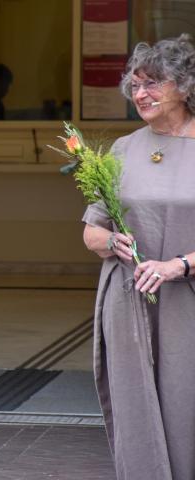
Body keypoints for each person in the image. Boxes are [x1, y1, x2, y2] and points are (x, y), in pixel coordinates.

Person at [82, 34, 195, 480]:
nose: (140, 94)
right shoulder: (123, 149)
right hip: (129, 300)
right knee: (135, 405)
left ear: (184, 86)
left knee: (185, 397)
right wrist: (111, 243)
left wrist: (179, 265)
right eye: (135, 83)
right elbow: (92, 228)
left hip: (186, 297)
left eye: (153, 84)